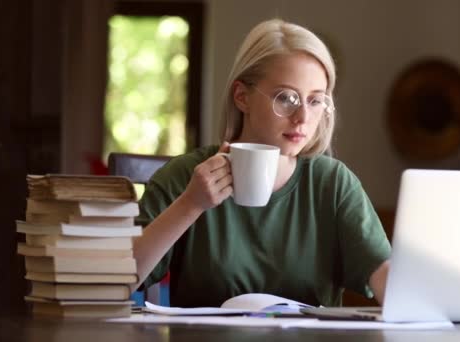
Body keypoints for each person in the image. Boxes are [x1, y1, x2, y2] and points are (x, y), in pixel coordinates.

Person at [132, 18, 391, 308]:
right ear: (242, 97)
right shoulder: (184, 177)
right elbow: (123, 280)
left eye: (315, 100)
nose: (303, 118)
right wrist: (191, 204)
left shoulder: (332, 184)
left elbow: (385, 279)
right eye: (287, 98)